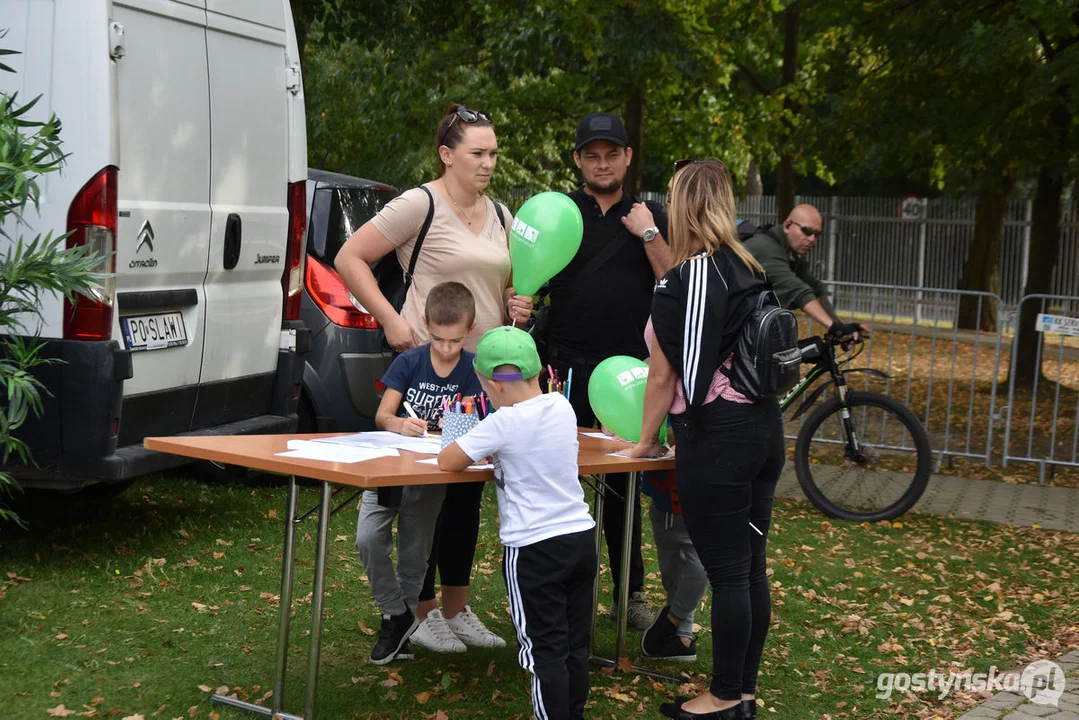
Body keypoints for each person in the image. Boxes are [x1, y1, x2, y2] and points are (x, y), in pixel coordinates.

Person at [337, 104, 532, 653]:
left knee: (466, 495)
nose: (489, 162)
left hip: (485, 380)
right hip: (427, 370)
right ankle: (419, 613)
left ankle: (456, 607)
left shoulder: (499, 212)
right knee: (424, 491)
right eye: (478, 153)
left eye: (494, 152)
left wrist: (521, 303)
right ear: (447, 155)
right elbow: (350, 257)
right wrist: (391, 318)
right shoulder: (419, 203)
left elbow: (511, 283)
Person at [627, 160, 787, 720]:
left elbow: (665, 374)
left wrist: (646, 441)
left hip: (718, 437)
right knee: (749, 567)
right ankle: (741, 692)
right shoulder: (751, 267)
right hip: (766, 429)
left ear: (681, 208)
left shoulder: (684, 279)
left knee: (727, 572)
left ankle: (721, 697)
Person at [544, 111, 670, 631]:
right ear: (577, 160)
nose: (601, 163)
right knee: (556, 483)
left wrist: (647, 234)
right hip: (561, 373)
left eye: (610, 154)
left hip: (625, 375)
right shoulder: (560, 212)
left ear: (627, 157)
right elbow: (524, 277)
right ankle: (556, 589)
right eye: (591, 155)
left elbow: (673, 279)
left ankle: (630, 593)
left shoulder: (650, 213)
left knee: (622, 493)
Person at [438, 326, 597, 720]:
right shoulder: (561, 406)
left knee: (543, 648)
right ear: (539, 372)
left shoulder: (501, 424)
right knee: (574, 643)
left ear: (495, 384)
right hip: (579, 537)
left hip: (534, 549)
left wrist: (489, 444)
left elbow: (448, 460)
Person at [355, 282, 484, 664]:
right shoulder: (410, 362)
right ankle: (397, 612)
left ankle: (396, 622)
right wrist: (399, 425)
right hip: (392, 467)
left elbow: (471, 426)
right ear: (426, 325)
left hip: (432, 475)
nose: (446, 348)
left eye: (455, 340)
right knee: (367, 537)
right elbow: (383, 415)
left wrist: (453, 427)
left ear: (471, 328)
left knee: (416, 552)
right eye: (439, 339)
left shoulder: (473, 368)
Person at [741, 205, 866, 340]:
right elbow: (796, 290)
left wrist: (839, 326)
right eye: (806, 231)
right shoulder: (766, 248)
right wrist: (833, 327)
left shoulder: (789, 252)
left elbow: (815, 287)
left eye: (817, 234)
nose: (812, 239)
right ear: (788, 225)